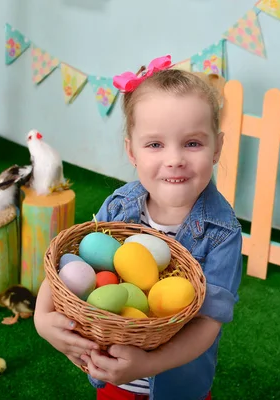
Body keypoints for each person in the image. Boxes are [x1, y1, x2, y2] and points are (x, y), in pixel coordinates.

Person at [34, 55, 243, 400]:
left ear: (217, 147)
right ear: (132, 151)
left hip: (180, 385)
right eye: (155, 144)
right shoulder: (120, 206)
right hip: (112, 375)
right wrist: (43, 319)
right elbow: (71, 264)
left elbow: (208, 323)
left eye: (192, 143)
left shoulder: (222, 232)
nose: (174, 158)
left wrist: (148, 365)